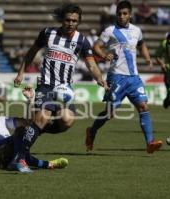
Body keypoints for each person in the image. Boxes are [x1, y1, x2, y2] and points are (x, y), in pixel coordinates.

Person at [12, 3, 108, 171]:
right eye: (68, 20)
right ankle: (20, 159)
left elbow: (91, 65)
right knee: (44, 116)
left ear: (78, 22)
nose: (70, 23)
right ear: (62, 19)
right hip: (46, 85)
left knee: (67, 121)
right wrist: (21, 72)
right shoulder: (48, 33)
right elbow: (32, 52)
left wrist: (100, 78)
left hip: (65, 90)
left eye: (74, 21)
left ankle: (32, 130)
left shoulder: (82, 41)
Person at [85, 0, 162, 154]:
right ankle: (92, 131)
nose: (121, 16)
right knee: (110, 112)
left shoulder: (136, 31)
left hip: (134, 78)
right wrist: (103, 54)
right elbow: (96, 47)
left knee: (143, 107)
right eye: (119, 13)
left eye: (125, 13)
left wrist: (147, 58)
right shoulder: (109, 31)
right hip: (117, 77)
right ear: (116, 14)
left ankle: (150, 142)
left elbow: (141, 45)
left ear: (130, 15)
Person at [155, 33, 170, 108]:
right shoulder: (164, 43)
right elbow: (157, 56)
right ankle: (167, 100)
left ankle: (167, 100)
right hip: (168, 68)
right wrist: (162, 64)